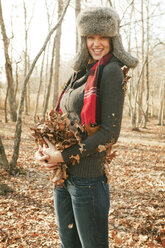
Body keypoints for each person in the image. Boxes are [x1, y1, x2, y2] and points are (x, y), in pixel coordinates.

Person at [35, 6, 138, 248]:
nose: (96, 43)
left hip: (87, 182)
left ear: (113, 39)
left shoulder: (111, 71)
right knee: (68, 244)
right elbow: (60, 119)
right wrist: (44, 149)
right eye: (91, 37)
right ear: (84, 39)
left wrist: (62, 154)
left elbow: (109, 133)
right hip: (63, 177)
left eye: (102, 36)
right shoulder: (80, 72)